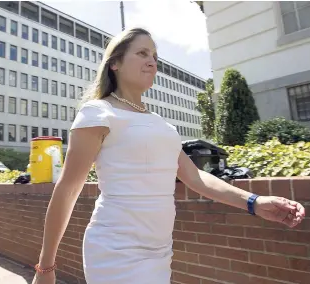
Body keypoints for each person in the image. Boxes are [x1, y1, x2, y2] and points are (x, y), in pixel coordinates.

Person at [32, 28, 305, 284]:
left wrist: (254, 202)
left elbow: (195, 177)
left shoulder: (163, 125)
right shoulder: (98, 113)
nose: (152, 62)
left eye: (154, 56)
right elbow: (68, 190)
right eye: (142, 53)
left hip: (160, 251)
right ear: (114, 63)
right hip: (115, 249)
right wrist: (46, 267)